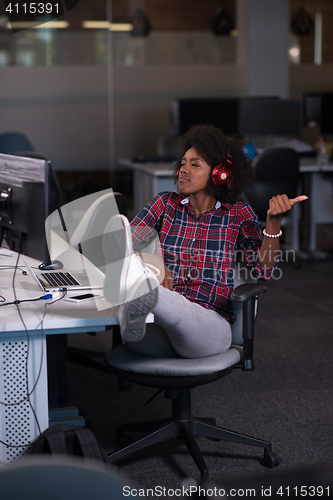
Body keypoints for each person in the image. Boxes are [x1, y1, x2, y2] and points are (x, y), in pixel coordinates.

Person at [103, 124, 307, 359]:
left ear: (220, 174)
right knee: (128, 259)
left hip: (207, 329)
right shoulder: (164, 204)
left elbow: (264, 270)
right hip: (157, 333)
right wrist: (153, 263)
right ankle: (145, 298)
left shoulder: (238, 214)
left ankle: (145, 296)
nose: (183, 170)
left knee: (168, 303)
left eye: (194, 164)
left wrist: (273, 223)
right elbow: (123, 246)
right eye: (183, 163)